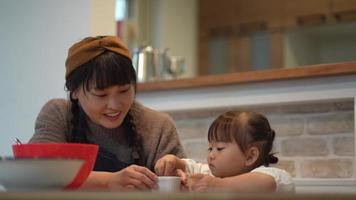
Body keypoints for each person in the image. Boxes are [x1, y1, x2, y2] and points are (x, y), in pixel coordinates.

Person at [29, 36, 185, 190]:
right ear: (74, 90)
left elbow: (183, 185)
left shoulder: (158, 127)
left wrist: (178, 169)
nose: (114, 105)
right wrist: (108, 181)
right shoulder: (58, 114)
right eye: (101, 95)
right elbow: (39, 173)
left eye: (124, 91)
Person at [155, 110, 294, 193]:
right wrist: (172, 162)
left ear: (250, 156)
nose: (211, 155)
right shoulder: (210, 174)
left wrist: (215, 185)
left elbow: (266, 182)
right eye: (210, 148)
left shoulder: (273, 176)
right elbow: (187, 167)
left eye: (219, 148)